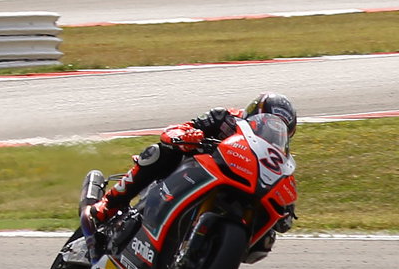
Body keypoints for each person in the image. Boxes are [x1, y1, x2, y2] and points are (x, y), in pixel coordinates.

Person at [85, 91, 297, 226]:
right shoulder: (225, 118)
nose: (269, 130)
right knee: (157, 152)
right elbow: (177, 129)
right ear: (254, 113)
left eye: (279, 130)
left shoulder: (276, 157)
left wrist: (285, 209)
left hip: (239, 183)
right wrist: (186, 137)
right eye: (267, 122)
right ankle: (109, 203)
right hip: (190, 170)